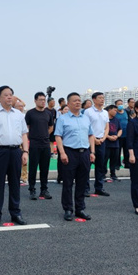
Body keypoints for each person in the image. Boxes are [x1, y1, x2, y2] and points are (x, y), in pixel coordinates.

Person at [0, 85, 29, 227]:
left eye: (11, 94)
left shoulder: (19, 114)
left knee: (15, 183)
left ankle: (15, 213)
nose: (9, 97)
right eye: (6, 95)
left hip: (16, 151)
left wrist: (25, 152)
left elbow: (24, 134)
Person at [55, 92, 95, 221]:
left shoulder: (85, 118)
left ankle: (80, 208)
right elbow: (58, 136)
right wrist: (62, 153)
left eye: (79, 100)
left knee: (82, 183)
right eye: (74, 101)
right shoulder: (62, 118)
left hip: (85, 152)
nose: (78, 102)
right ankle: (68, 209)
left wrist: (92, 152)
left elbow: (91, 135)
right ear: (68, 103)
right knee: (67, 183)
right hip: (69, 152)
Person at [25, 92, 54, 200]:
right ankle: (32, 189)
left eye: (44, 99)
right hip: (34, 144)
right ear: (35, 101)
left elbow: (51, 127)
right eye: (40, 99)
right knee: (32, 168)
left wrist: (45, 134)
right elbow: (26, 128)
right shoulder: (30, 113)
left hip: (45, 144)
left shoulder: (48, 114)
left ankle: (44, 190)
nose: (43, 101)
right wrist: (31, 137)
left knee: (44, 168)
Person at [84, 92, 110, 197]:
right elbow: (85, 126)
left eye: (103, 98)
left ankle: (99, 188)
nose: (102, 100)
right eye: (99, 98)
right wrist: (94, 139)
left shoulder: (105, 112)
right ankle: (85, 188)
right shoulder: (88, 112)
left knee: (100, 166)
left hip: (102, 141)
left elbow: (107, 126)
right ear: (94, 100)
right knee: (86, 166)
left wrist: (103, 138)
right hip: (89, 141)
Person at [104, 105, 122, 181]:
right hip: (106, 143)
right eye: (114, 110)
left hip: (115, 143)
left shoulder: (116, 120)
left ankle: (113, 174)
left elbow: (120, 129)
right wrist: (108, 136)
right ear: (109, 110)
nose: (116, 112)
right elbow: (101, 130)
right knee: (104, 160)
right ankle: (103, 174)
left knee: (114, 159)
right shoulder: (104, 119)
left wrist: (117, 136)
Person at [14, 101, 28, 183]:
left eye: (22, 106)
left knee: (25, 158)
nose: (21, 108)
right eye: (19, 106)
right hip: (16, 141)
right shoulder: (13, 116)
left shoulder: (25, 116)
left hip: (24, 139)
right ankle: (16, 176)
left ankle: (24, 177)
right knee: (16, 161)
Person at [114, 99, 129, 169]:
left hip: (126, 134)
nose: (120, 105)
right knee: (118, 151)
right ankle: (117, 164)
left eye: (121, 103)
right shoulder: (115, 113)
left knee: (127, 150)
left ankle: (127, 164)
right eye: (119, 104)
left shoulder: (125, 112)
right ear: (116, 105)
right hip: (118, 135)